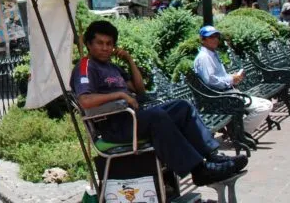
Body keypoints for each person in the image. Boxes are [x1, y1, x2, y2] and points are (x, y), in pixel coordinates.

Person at [74, 21, 246, 185]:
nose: (105, 48)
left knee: (182, 107)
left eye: (109, 44)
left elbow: (139, 90)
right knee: (157, 116)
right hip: (114, 125)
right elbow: (85, 100)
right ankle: (199, 170)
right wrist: (119, 94)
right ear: (89, 44)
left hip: (133, 119)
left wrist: (129, 60)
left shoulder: (111, 67)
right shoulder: (85, 66)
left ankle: (212, 156)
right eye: (100, 43)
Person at [193, 26, 273, 133]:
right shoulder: (204, 57)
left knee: (266, 103)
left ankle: (240, 131)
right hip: (222, 98)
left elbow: (217, 77)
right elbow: (210, 81)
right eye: (211, 37)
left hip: (227, 94)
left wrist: (233, 78)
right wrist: (231, 80)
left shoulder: (211, 54)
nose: (215, 39)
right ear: (203, 39)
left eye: (217, 36)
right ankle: (240, 133)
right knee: (263, 107)